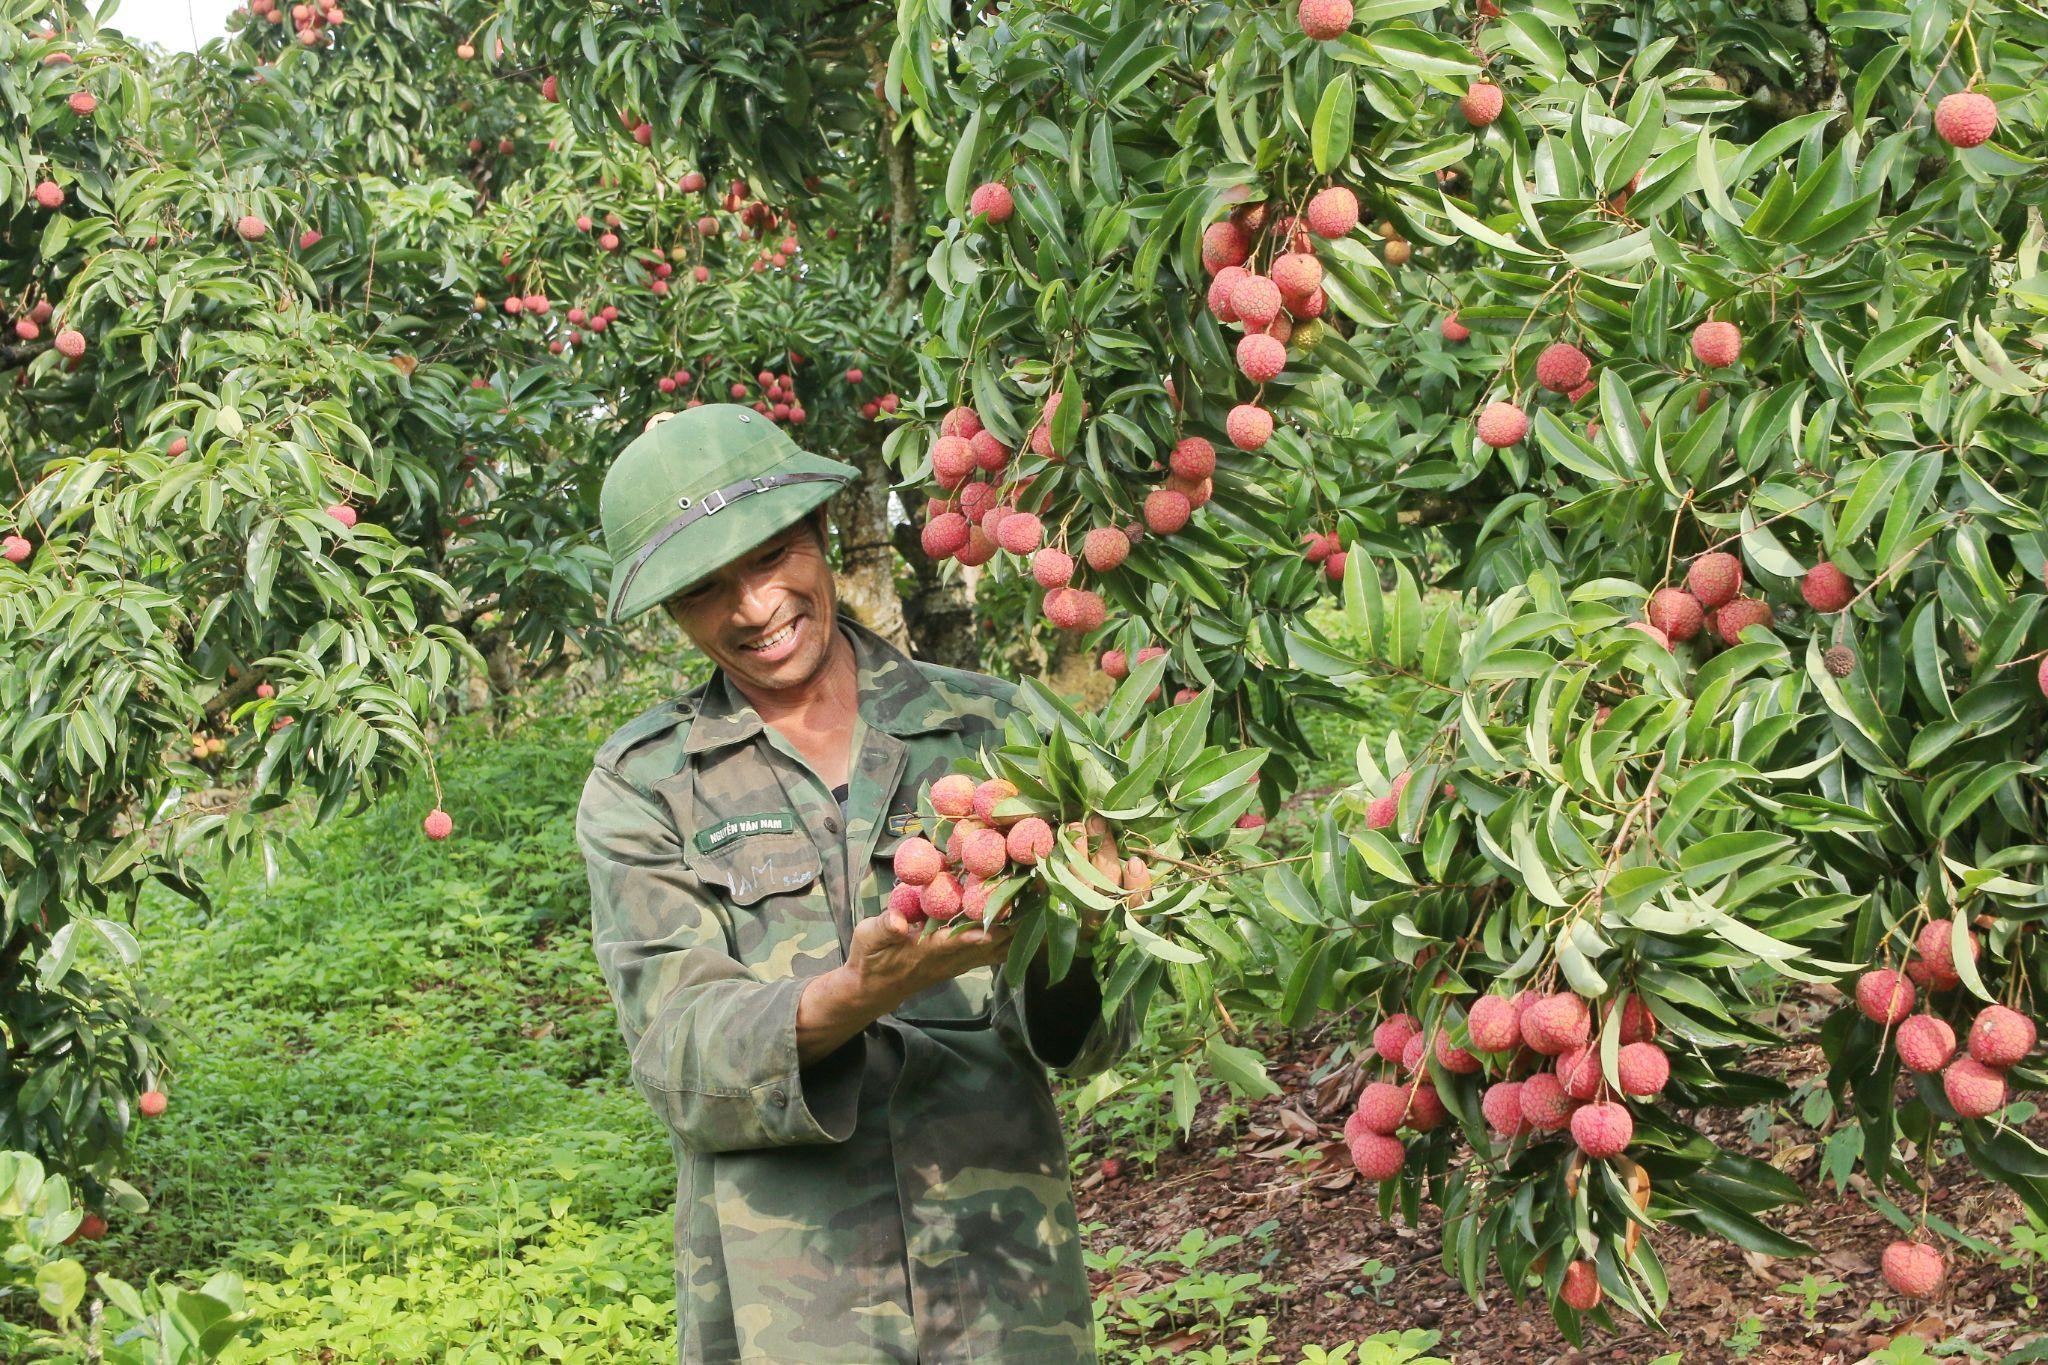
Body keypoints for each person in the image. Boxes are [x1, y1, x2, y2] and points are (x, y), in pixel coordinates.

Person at [576, 403, 1134, 1363]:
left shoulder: (994, 728)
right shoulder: (644, 783)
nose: (754, 609)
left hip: (1007, 1285)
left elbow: (1097, 1033)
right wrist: (852, 996)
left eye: (769, 559)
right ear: (672, 610)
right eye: (708, 590)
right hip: (789, 1308)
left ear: (823, 536)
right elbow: (678, 1058)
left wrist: (1085, 916)